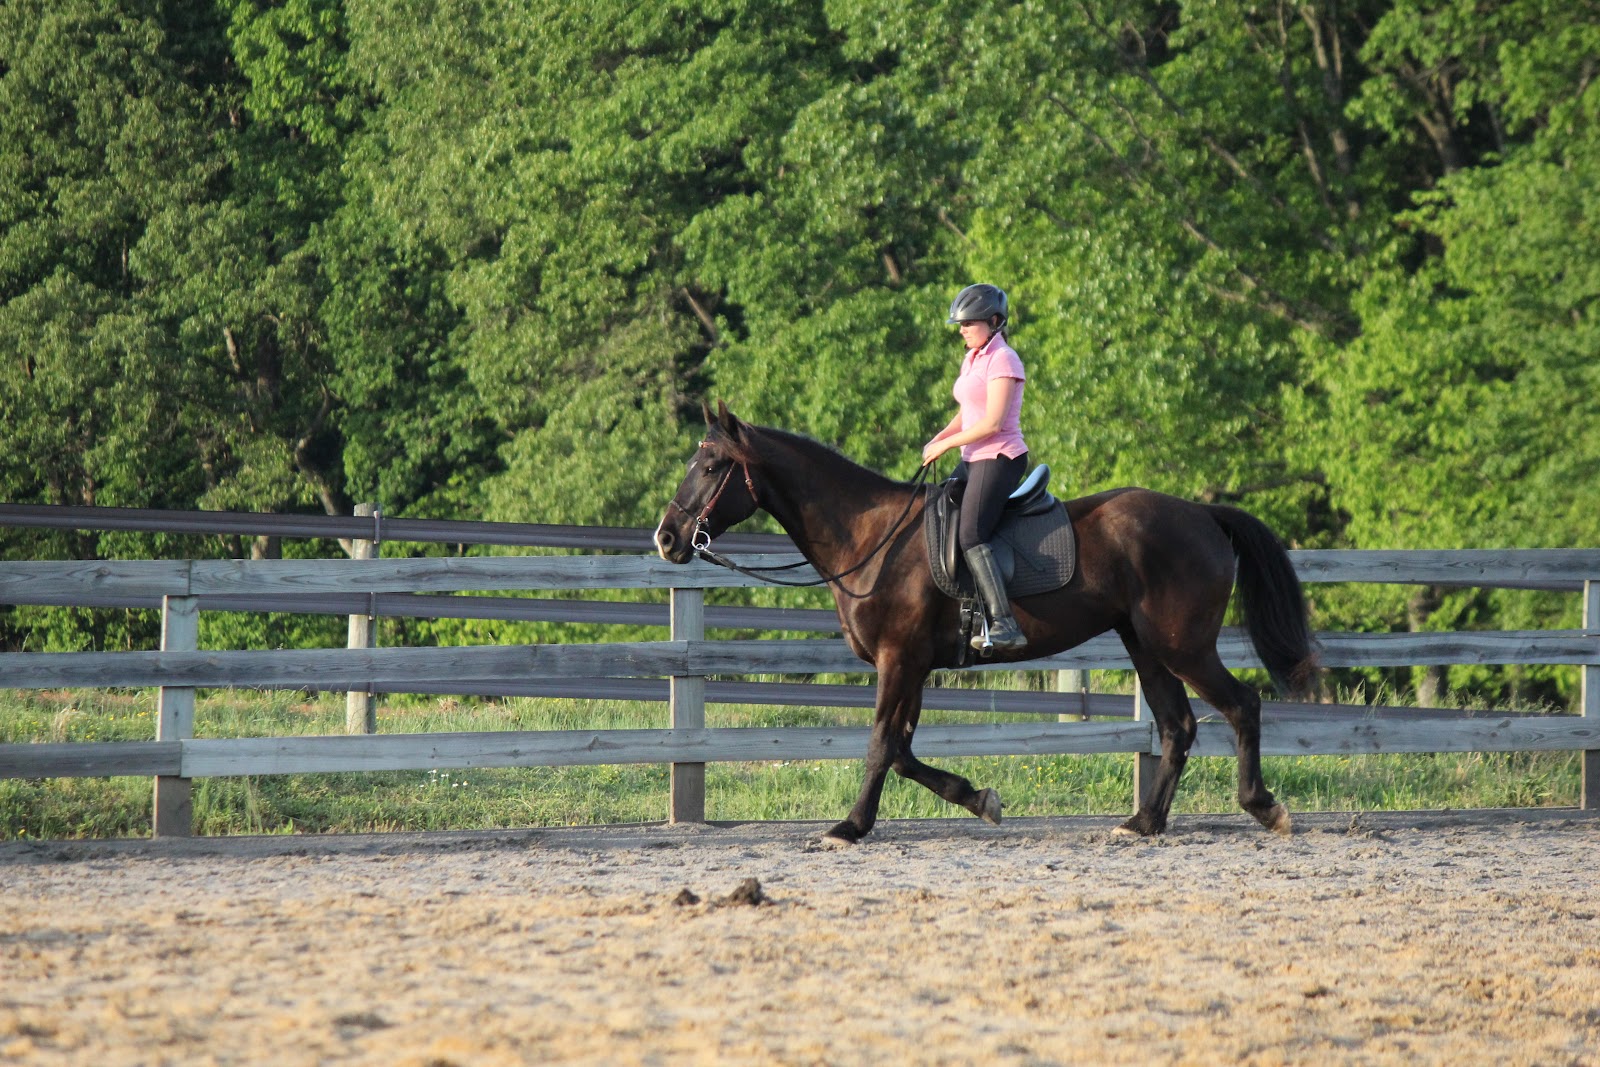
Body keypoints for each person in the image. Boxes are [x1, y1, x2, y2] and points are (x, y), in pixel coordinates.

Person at [921, 283, 1029, 652]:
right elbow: (968, 413)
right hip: (972, 457)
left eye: (969, 323)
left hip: (999, 457)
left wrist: (947, 444)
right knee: (935, 511)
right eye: (960, 324)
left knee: (971, 534)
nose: (962, 329)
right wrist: (940, 437)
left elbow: (993, 423)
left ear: (994, 322)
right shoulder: (974, 358)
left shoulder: (1004, 359)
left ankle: (1004, 623)